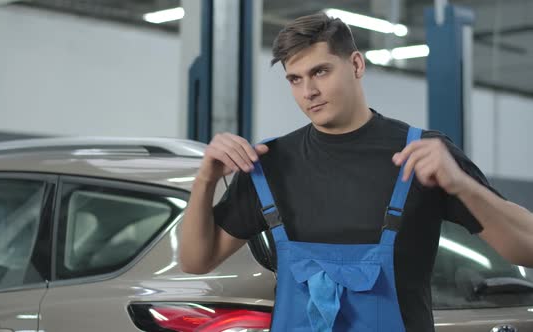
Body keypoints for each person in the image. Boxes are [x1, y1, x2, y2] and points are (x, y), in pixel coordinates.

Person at [179, 12, 533, 331]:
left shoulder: (422, 153)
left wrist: (463, 186)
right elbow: (196, 260)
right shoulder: (271, 163)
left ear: (357, 65)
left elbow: (526, 249)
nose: (309, 92)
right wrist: (205, 178)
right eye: (295, 79)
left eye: (320, 71)